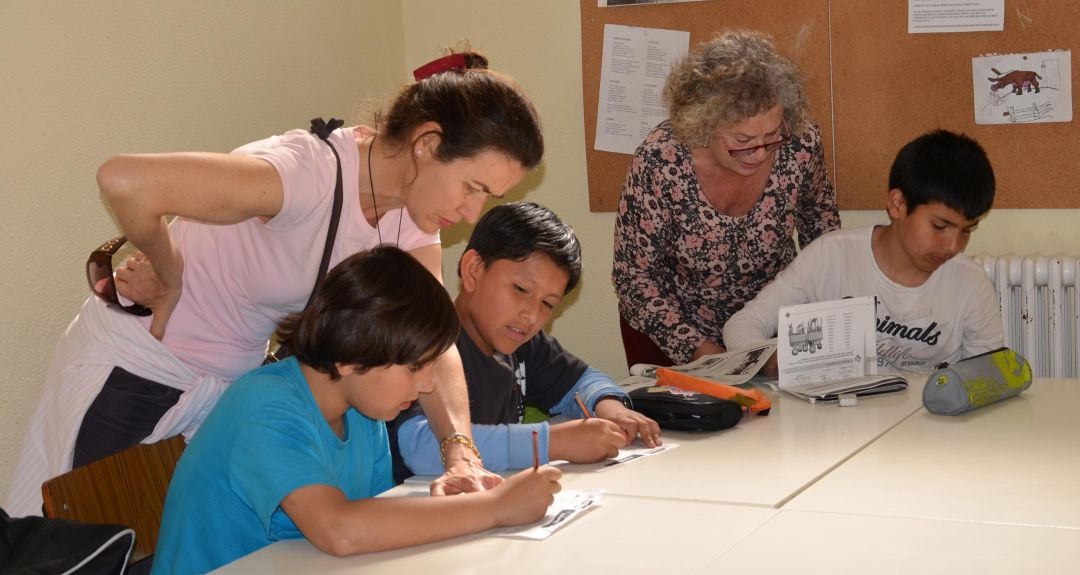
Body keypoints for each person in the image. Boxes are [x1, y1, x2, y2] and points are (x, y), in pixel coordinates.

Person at [7, 50, 544, 517]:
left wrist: (461, 453)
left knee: (160, 540)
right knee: (73, 538)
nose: (473, 213)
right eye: (472, 187)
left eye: (488, 198)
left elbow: (434, 338)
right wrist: (169, 273)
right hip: (142, 366)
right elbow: (124, 180)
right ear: (428, 143)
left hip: (225, 384)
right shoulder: (304, 175)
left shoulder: (412, 218)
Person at [151, 246, 562, 575]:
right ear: (351, 354)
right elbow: (340, 531)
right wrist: (494, 508)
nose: (426, 386)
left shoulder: (364, 411)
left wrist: (441, 507)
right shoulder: (265, 406)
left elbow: (365, 524)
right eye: (415, 367)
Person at [612, 29, 839, 369]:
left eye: (771, 135)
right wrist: (704, 354)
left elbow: (821, 230)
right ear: (704, 124)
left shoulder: (799, 144)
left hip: (771, 323)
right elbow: (634, 276)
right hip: (681, 336)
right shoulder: (662, 160)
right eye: (743, 139)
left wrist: (828, 320)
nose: (760, 153)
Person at [394, 202, 662, 479]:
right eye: (521, 289)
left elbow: (582, 379)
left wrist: (611, 408)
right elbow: (419, 448)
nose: (531, 316)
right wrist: (551, 443)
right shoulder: (424, 344)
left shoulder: (524, 345)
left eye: (548, 303)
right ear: (473, 269)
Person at [723, 130, 1004, 373]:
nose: (953, 246)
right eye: (940, 226)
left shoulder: (970, 282)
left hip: (930, 428)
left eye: (967, 230)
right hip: (840, 425)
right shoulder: (831, 256)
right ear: (898, 204)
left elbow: (989, 375)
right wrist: (775, 360)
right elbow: (742, 325)